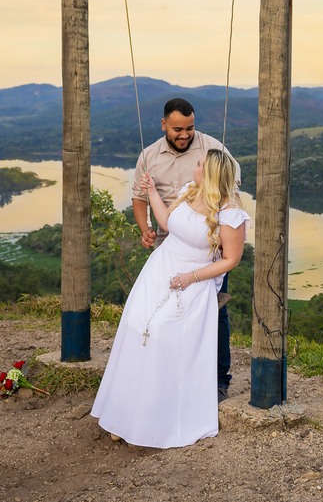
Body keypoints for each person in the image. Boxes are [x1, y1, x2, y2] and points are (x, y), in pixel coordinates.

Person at [91, 149, 249, 448]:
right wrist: (150, 191)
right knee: (137, 328)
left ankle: (157, 419)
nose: (196, 166)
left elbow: (231, 260)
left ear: (212, 174)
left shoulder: (230, 213)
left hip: (192, 280)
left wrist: (192, 278)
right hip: (158, 271)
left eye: (200, 164)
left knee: (164, 337)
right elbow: (166, 223)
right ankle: (125, 414)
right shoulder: (190, 191)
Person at [131, 97, 241, 401]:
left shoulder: (211, 149)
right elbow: (141, 198)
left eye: (190, 128)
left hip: (207, 252)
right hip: (170, 244)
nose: (185, 134)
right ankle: (167, 376)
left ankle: (218, 379)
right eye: (178, 129)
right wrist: (145, 229)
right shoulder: (149, 155)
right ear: (164, 124)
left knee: (214, 314)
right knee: (164, 316)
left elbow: (231, 186)